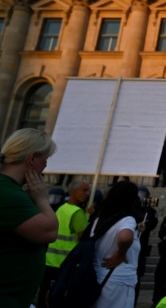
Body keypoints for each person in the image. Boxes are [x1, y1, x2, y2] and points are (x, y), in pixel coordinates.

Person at [0, 128, 58, 308]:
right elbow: (49, 231)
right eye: (45, 159)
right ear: (32, 158)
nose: (46, 165)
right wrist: (41, 198)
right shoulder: (7, 192)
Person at [39, 179, 91, 308]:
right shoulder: (77, 212)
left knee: (44, 295)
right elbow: (84, 237)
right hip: (66, 263)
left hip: (50, 260)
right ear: (73, 192)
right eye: (84, 190)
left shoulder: (62, 208)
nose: (88, 193)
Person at [89, 180, 142, 308]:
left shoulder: (99, 219)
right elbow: (125, 238)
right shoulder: (128, 220)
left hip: (98, 277)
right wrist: (120, 253)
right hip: (117, 280)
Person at [135, 185, 158, 305]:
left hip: (140, 245)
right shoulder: (131, 208)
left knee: (137, 276)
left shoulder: (149, 211)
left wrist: (146, 226)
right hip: (131, 243)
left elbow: (153, 223)